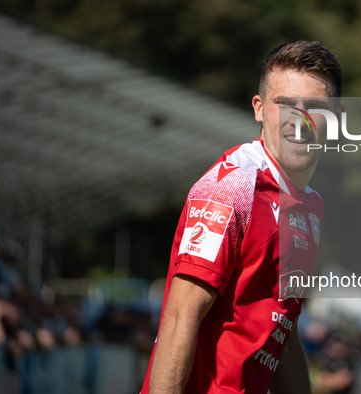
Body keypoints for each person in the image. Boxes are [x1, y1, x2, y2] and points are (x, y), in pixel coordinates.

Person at [141, 40, 343, 394]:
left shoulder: (309, 206)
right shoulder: (232, 189)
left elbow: (282, 329)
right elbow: (179, 317)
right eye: (285, 104)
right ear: (259, 108)